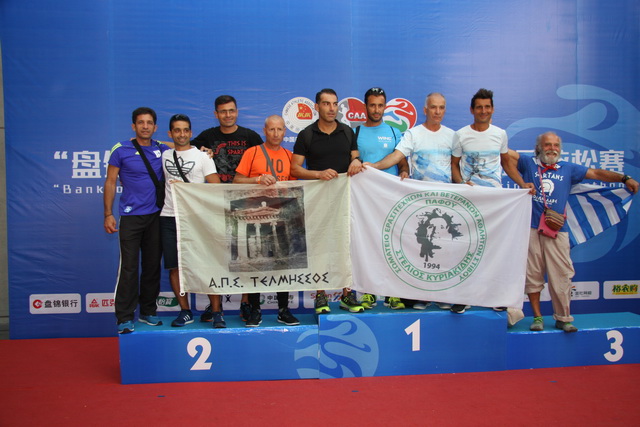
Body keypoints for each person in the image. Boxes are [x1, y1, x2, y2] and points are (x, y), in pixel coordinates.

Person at [511, 131, 638, 332]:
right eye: (547, 144)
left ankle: (563, 318)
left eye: (556, 145)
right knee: (533, 276)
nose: (552, 149)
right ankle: (537, 317)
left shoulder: (568, 168)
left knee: (562, 275)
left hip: (557, 230)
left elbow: (596, 174)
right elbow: (505, 154)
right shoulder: (528, 163)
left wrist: (624, 177)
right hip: (531, 229)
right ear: (538, 148)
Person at [367, 92, 456, 311]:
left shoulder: (453, 136)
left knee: (445, 250)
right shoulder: (413, 134)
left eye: (441, 108)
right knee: (423, 249)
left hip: (446, 204)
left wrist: (465, 184)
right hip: (421, 204)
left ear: (445, 110)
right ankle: (422, 295)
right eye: (433, 107)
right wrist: (374, 167)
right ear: (425, 110)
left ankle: (443, 294)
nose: (437, 112)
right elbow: (397, 157)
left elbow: (457, 167)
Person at [451, 88, 535, 314]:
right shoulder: (460, 135)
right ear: (472, 110)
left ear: (493, 109)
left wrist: (522, 184)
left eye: (487, 107)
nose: (483, 111)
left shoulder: (500, 134)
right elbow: (453, 165)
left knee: (494, 249)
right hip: (470, 199)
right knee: (467, 248)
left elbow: (507, 163)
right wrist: (461, 184)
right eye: (479, 107)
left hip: (495, 201)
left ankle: (495, 297)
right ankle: (462, 297)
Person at [291, 88, 365, 314]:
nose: (332, 108)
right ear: (317, 107)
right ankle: (320, 295)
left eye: (334, 104)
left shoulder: (347, 132)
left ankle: (347, 295)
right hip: (318, 200)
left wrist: (357, 161)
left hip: (345, 199)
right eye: (326, 104)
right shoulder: (306, 134)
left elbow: (355, 157)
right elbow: (295, 169)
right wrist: (318, 174)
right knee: (319, 246)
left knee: (346, 245)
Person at [191, 95, 263, 322]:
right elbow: (181, 147)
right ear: (216, 114)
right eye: (223, 111)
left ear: (237, 111)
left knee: (246, 255)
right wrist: (199, 150)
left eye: (231, 110)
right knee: (217, 255)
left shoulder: (251, 137)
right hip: (215, 205)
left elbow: (263, 163)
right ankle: (216, 305)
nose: (228, 115)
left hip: (245, 204)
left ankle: (246, 303)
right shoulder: (207, 137)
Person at [104, 107, 169, 334]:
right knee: (129, 268)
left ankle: (148, 311)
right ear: (133, 126)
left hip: (156, 217)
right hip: (131, 217)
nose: (145, 126)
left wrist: (202, 151)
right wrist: (108, 214)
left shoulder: (162, 149)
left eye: (149, 123)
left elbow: (182, 148)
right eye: (141, 122)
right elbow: (111, 182)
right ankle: (124, 316)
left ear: (155, 127)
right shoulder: (120, 149)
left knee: (152, 267)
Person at [233, 115, 301, 327]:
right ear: (264, 131)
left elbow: (295, 187)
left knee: (283, 260)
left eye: (280, 129)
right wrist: (258, 179)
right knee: (256, 264)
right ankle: (255, 309)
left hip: (281, 214)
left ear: (285, 132)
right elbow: (236, 180)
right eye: (272, 129)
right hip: (255, 212)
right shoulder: (252, 153)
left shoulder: (290, 156)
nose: (276, 133)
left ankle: (283, 309)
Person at [160, 114, 226, 328]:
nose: (181, 134)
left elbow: (216, 187)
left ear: (191, 132)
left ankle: (216, 312)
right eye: (177, 130)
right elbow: (149, 143)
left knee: (207, 264)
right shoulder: (163, 154)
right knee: (175, 267)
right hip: (169, 217)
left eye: (185, 130)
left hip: (196, 219)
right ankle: (185, 311)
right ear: (170, 133)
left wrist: (190, 190)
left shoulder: (203, 156)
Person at [355, 87, 409, 310]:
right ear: (365, 107)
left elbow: (402, 161)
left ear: (385, 107)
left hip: (390, 198)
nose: (376, 110)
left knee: (391, 245)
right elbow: (352, 162)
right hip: (365, 200)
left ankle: (393, 293)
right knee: (368, 244)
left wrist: (404, 171)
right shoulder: (356, 132)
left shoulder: (395, 132)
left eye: (380, 105)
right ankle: (368, 292)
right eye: (372, 105)